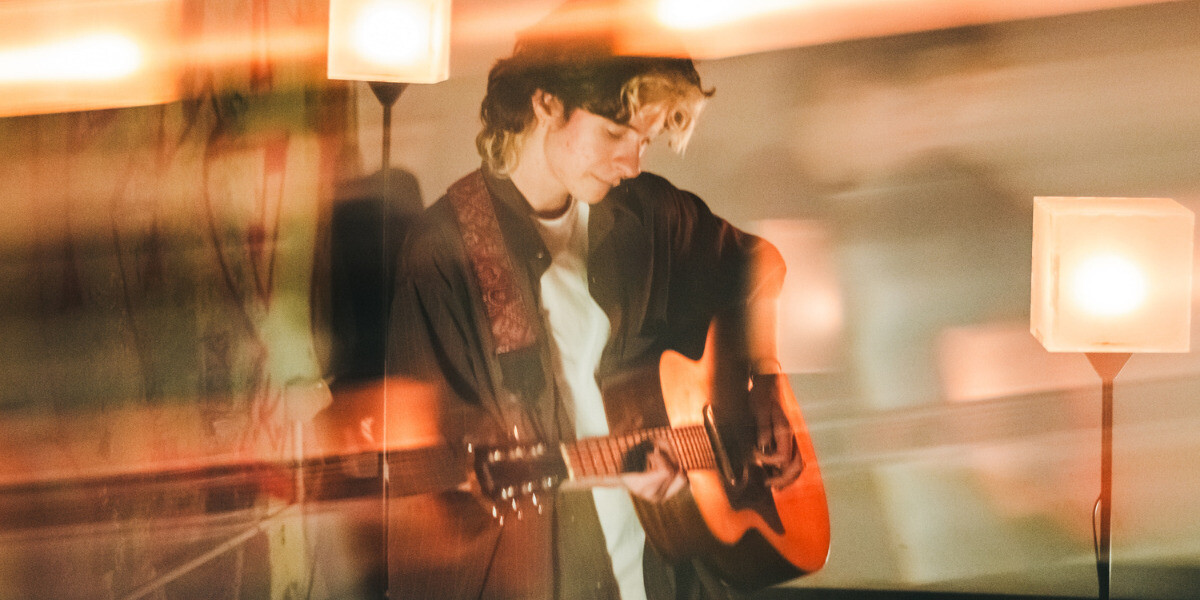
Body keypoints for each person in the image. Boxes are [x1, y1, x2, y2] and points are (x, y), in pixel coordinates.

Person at [386, 6, 803, 599]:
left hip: (671, 574)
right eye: (614, 133)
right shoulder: (445, 251)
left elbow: (759, 267)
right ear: (546, 103)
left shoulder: (647, 212)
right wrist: (609, 469)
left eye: (644, 141)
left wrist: (762, 382)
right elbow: (439, 475)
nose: (632, 162)